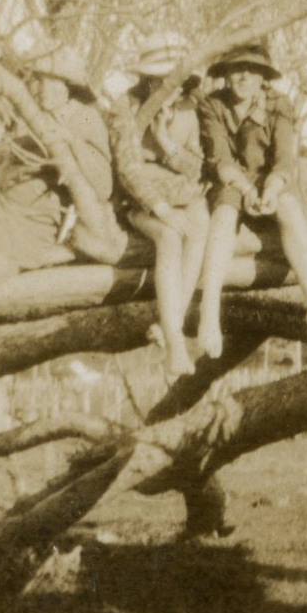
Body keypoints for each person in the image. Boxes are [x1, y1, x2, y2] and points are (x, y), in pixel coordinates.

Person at [0, 44, 119, 439]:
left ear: (69, 85)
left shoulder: (82, 117)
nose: (42, 89)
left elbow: (103, 185)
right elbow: (9, 146)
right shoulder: (30, 116)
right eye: (37, 81)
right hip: (2, 216)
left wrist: (67, 146)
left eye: (52, 82)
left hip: (22, 234)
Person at [195, 43, 307, 356]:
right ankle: (209, 312)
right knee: (223, 217)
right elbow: (220, 158)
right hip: (232, 179)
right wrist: (246, 190)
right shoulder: (212, 104)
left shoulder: (278, 104)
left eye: (251, 71)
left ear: (263, 77)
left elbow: (284, 158)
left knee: (290, 209)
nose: (243, 77)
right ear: (226, 75)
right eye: (236, 70)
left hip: (271, 177)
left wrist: (271, 189)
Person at [109, 36, 211, 378]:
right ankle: (176, 344)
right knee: (169, 237)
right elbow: (127, 167)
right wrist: (160, 207)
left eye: (176, 79)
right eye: (161, 79)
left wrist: (166, 141)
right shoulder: (125, 107)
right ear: (148, 79)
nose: (170, 87)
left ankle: (171, 322)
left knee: (199, 225)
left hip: (183, 193)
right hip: (140, 198)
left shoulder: (188, 109)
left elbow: (197, 168)